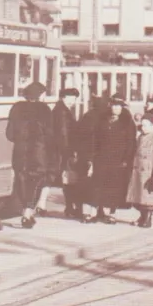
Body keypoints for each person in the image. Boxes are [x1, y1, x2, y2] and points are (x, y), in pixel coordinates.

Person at [5, 81, 53, 229]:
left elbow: (9, 134)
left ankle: (25, 211)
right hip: (38, 152)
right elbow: (50, 134)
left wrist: (21, 140)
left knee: (22, 179)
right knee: (37, 181)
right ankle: (27, 213)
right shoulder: (44, 110)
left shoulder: (16, 108)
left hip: (20, 151)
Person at [84, 94, 135, 224]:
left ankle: (109, 213)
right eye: (114, 105)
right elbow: (94, 139)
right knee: (97, 185)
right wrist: (92, 157)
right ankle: (94, 212)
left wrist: (126, 160)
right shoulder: (102, 120)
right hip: (101, 158)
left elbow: (131, 143)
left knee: (113, 187)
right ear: (110, 106)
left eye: (119, 106)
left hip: (118, 160)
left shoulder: (127, 122)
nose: (116, 108)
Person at [126, 113, 153, 229]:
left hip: (148, 174)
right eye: (142, 125)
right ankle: (142, 217)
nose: (142, 128)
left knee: (148, 198)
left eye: (145, 125)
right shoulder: (140, 138)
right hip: (138, 171)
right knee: (138, 198)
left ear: (152, 126)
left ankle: (148, 218)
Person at [53, 88, 81, 218]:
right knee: (69, 180)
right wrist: (70, 152)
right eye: (72, 98)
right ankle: (70, 207)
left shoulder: (60, 110)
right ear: (65, 97)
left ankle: (70, 207)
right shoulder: (63, 112)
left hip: (62, 150)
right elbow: (64, 134)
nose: (74, 102)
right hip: (65, 151)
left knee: (67, 180)